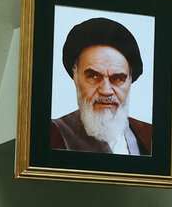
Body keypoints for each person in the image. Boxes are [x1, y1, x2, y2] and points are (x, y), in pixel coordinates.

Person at [50, 17, 153, 155]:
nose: (106, 91)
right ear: (75, 75)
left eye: (118, 79)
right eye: (94, 76)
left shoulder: (150, 135)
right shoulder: (53, 134)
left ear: (130, 80)